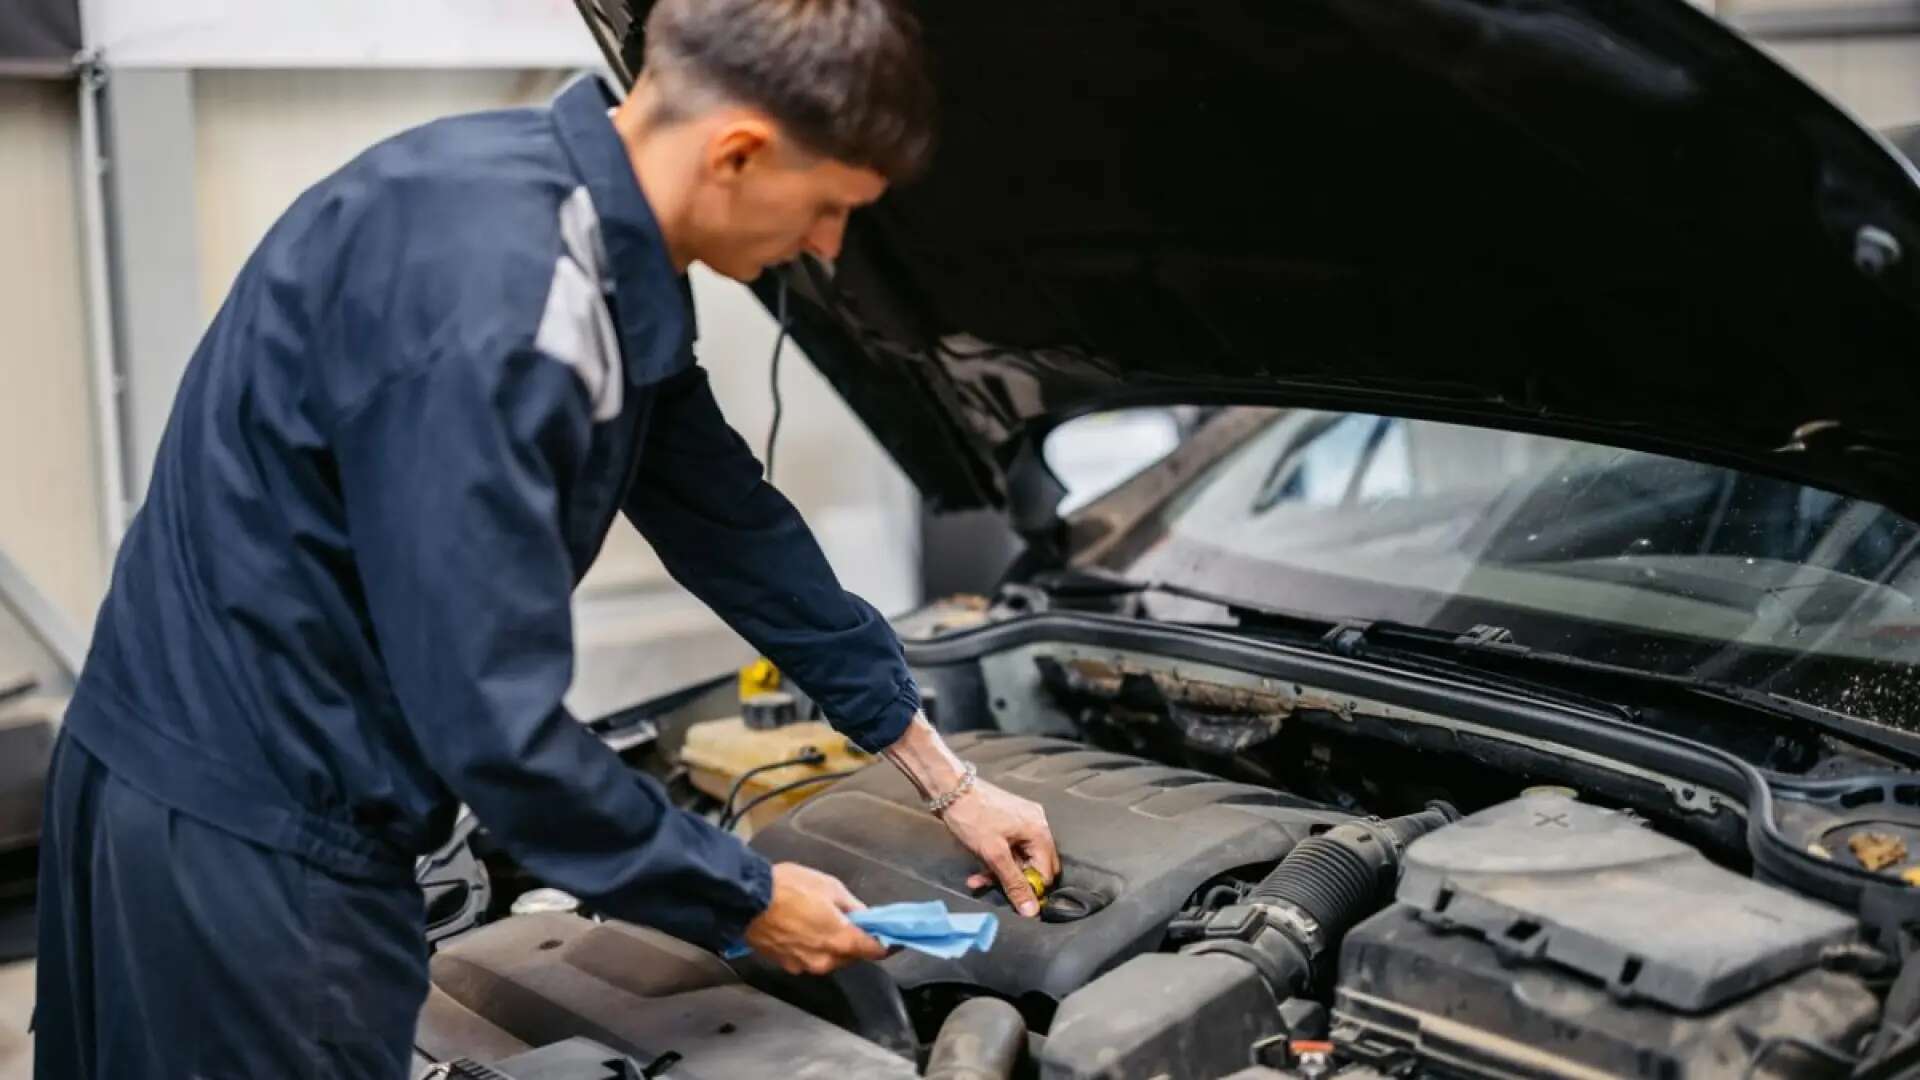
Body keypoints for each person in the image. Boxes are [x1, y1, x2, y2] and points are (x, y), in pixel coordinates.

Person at [33, 1, 1059, 1076]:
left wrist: (946, 778)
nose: (828, 248)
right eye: (830, 207)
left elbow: (729, 522)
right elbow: (493, 726)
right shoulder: (512, 314)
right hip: (256, 844)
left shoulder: (567, 216)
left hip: (179, 765)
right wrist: (745, 899)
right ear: (741, 152)